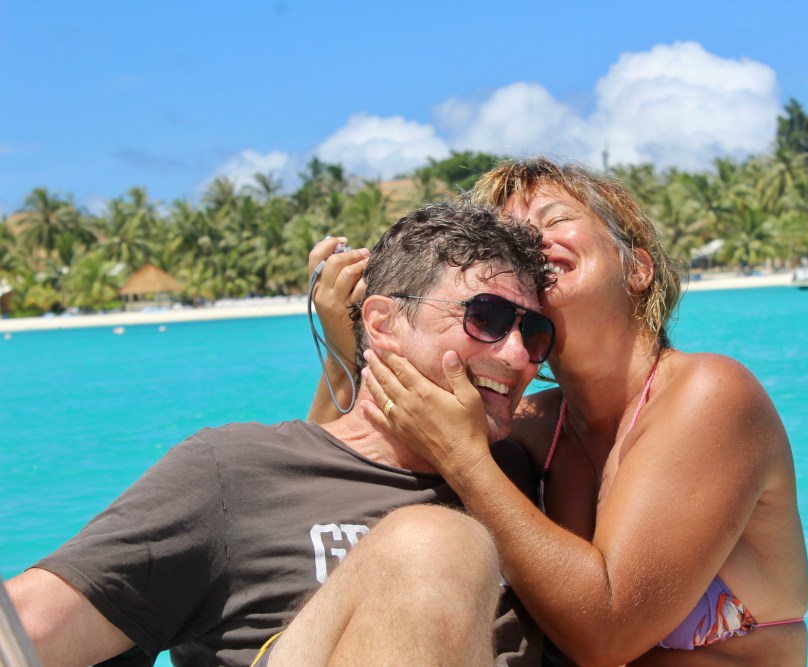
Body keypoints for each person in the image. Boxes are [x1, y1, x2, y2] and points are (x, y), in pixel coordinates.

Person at [5, 201, 555, 667]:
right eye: (486, 317)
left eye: (534, 333)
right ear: (383, 324)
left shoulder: (521, 479)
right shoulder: (236, 472)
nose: (518, 357)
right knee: (433, 543)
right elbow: (26, 629)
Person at [309, 157, 808, 666]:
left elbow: (608, 635)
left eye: (553, 220)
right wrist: (346, 347)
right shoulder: (530, 426)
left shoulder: (710, 394)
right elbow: (335, 481)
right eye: (514, 237)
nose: (532, 243)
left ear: (638, 268)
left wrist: (464, 458)